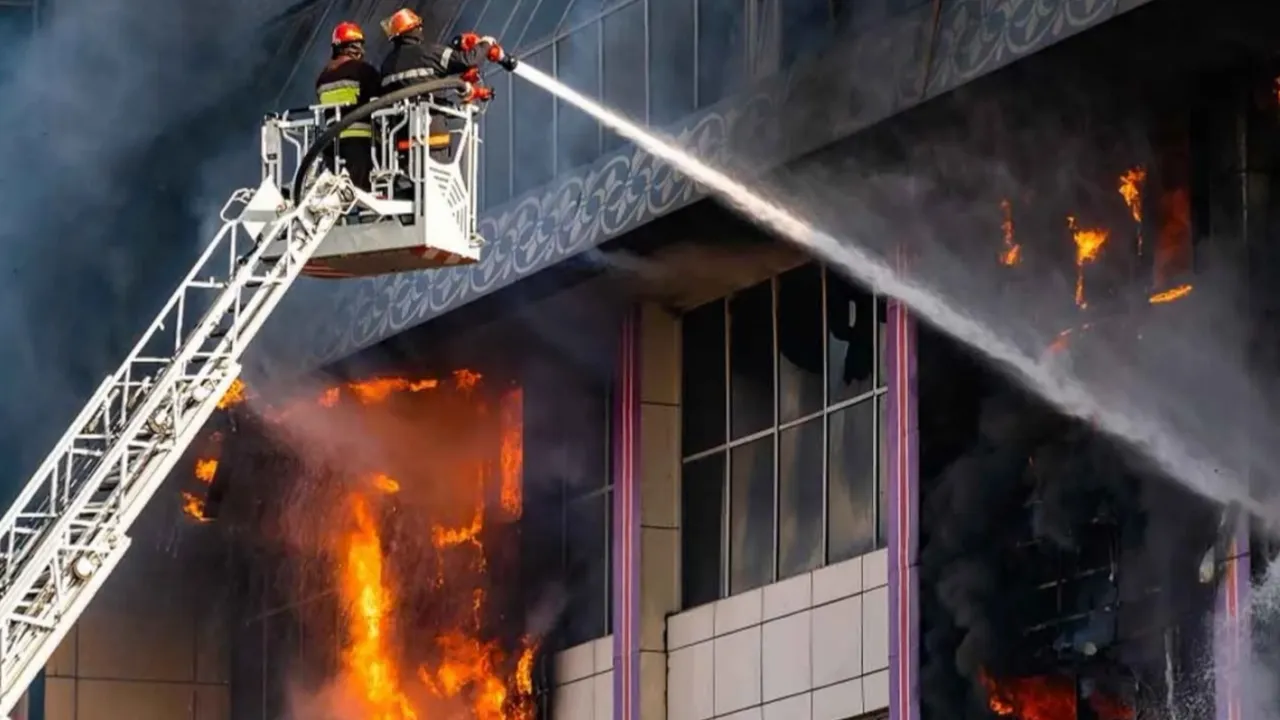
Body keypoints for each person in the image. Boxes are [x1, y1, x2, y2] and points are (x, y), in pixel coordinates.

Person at [378, 8, 513, 161]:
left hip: (401, 145)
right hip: (433, 140)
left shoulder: (386, 65)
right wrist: (485, 44)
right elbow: (467, 60)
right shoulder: (428, 52)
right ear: (416, 29)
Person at [315, 21, 382, 190]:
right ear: (353, 47)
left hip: (331, 145)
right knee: (362, 192)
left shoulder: (322, 78)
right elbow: (380, 101)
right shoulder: (363, 71)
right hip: (361, 144)